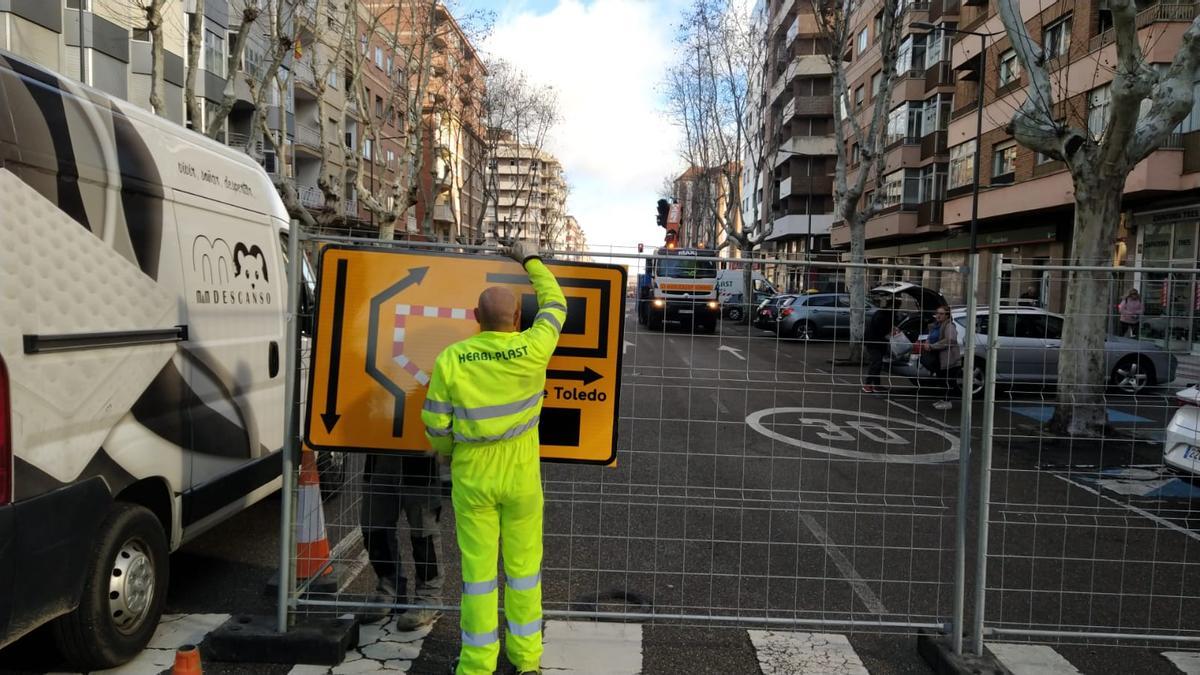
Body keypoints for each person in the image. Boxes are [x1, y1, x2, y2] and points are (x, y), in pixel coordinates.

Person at [421, 241, 566, 675]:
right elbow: (555, 304)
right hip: (521, 480)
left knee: (478, 576)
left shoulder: (452, 359)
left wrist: (451, 455)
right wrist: (531, 260)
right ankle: (526, 660)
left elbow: (435, 425)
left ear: (475, 318)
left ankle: (476, 665)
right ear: (519, 320)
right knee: (524, 572)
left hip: (472, 478)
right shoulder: (533, 349)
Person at [358, 453, 445, 629]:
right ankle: (390, 590)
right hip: (377, 451)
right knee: (374, 528)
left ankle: (429, 598)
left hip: (418, 455)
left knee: (424, 533)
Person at [926, 305, 962, 410]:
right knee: (941, 379)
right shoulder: (936, 325)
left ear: (947, 315)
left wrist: (933, 346)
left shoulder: (949, 326)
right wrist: (927, 343)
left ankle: (947, 402)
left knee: (947, 380)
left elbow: (950, 340)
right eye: (937, 313)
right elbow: (930, 336)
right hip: (938, 358)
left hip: (949, 358)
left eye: (941, 314)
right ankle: (943, 399)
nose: (938, 316)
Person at [863, 298, 895, 394]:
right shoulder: (884, 315)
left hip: (875, 342)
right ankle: (868, 384)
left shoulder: (882, 313)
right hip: (874, 342)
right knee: (876, 363)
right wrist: (889, 332)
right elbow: (881, 329)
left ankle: (876, 385)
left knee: (877, 363)